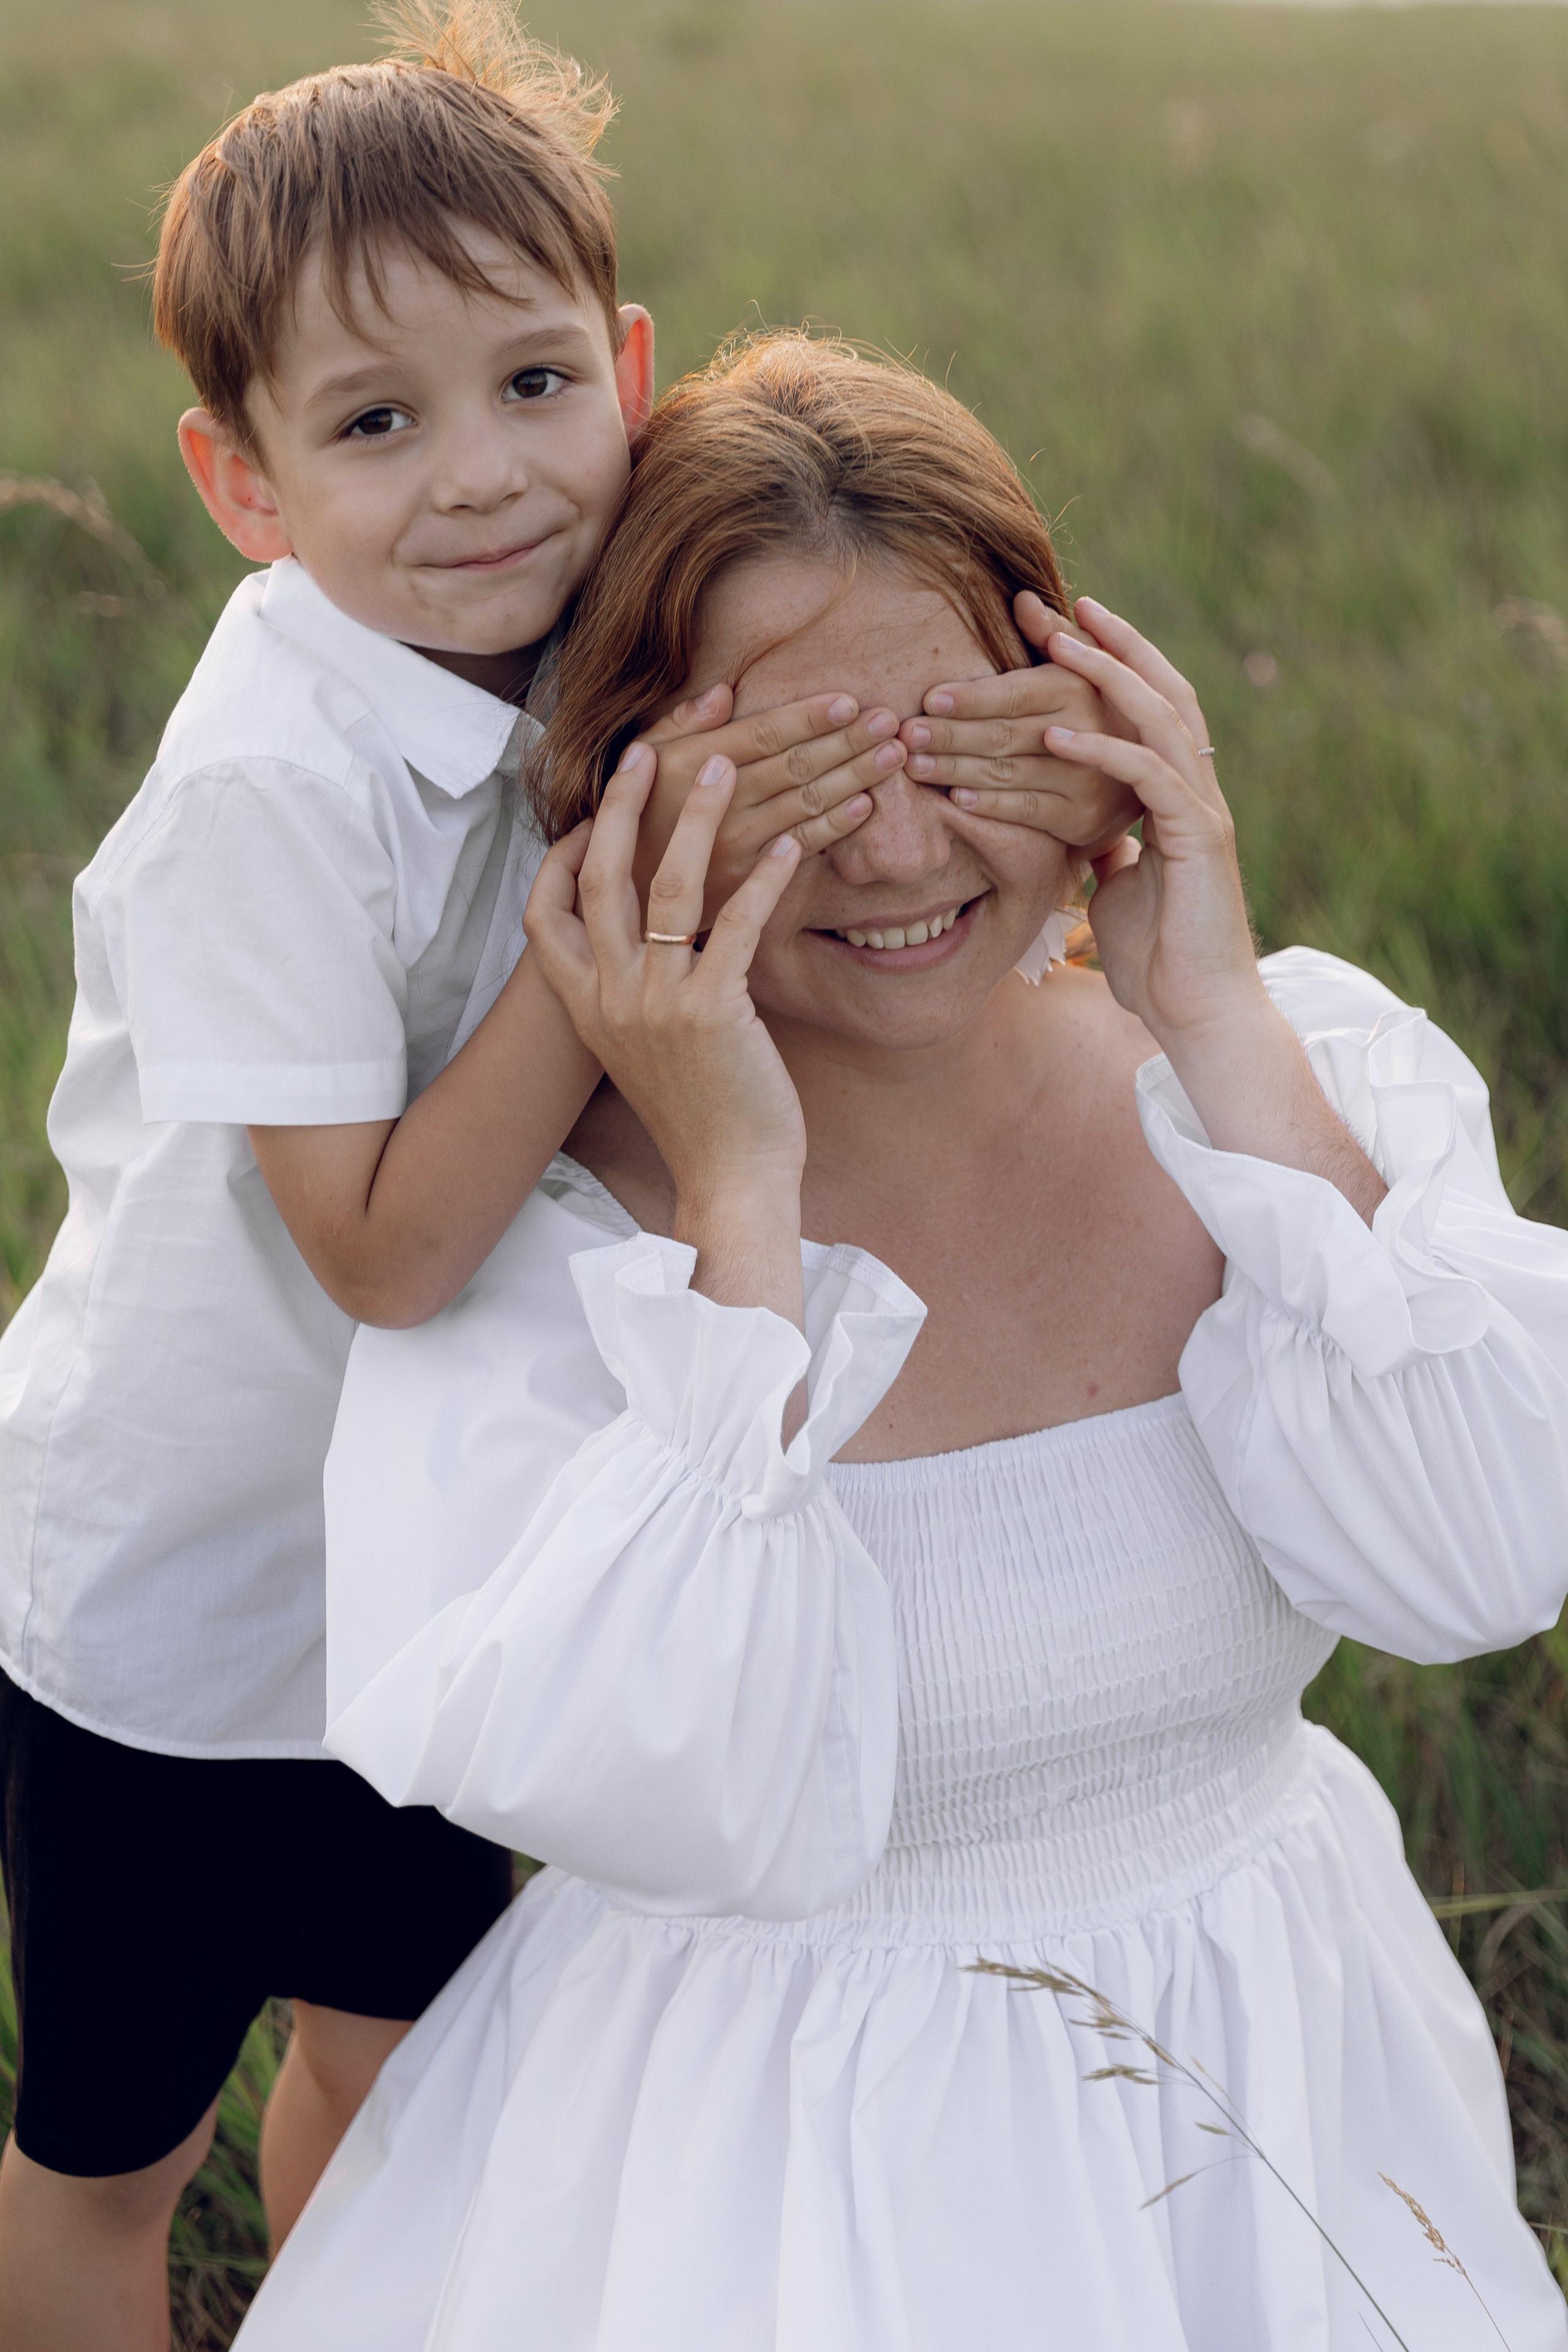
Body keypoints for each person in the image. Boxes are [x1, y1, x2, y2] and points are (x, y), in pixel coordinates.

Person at [236, 329, 1568, 2350]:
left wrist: (1214, 1012)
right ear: (628, 793)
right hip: (765, 2180)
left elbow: (1484, 1555)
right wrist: (741, 1196)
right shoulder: (552, 1243)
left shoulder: (1270, 1085)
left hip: (1273, 2104)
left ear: (1093, 721)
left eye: (960, 751)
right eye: (800, 779)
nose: (893, 853)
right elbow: (685, 1789)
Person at [7, 20, 1157, 2343]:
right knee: (117, 2147)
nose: (481, 480)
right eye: (373, 425)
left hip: (442, 1569)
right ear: (243, 485)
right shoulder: (265, 793)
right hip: (179, 1610)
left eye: (532, 386)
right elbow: (387, 1254)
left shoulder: (573, 637)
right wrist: (603, 922)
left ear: (627, 370)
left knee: (410, 2078)